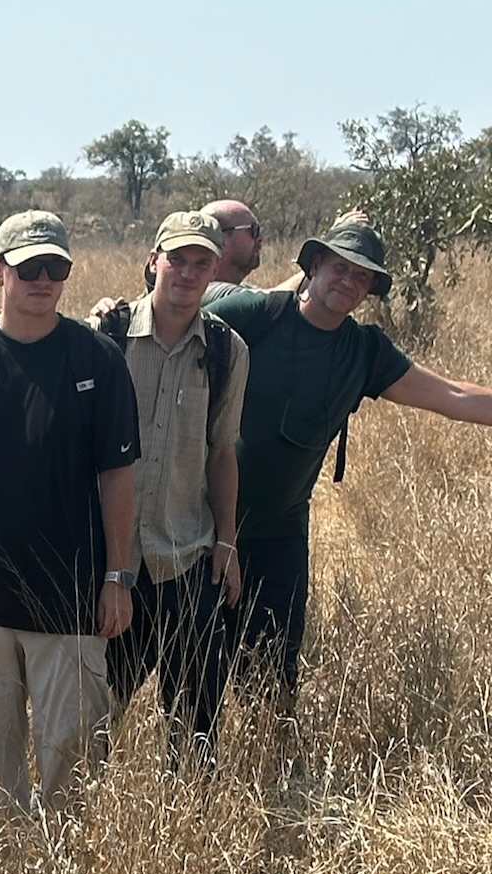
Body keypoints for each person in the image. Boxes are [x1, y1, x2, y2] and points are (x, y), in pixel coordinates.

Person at [206, 218, 492, 700]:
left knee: (271, 679)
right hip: (204, 526)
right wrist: (107, 316)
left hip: (280, 534)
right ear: (313, 267)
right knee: (196, 673)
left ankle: (267, 769)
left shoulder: (364, 352)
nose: (348, 282)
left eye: (362, 277)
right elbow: (169, 317)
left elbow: (450, 394)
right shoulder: (258, 314)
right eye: (340, 267)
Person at [0, 211, 140, 822]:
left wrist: (117, 577)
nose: (43, 279)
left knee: (72, 773)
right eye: (29, 267)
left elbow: (118, 477)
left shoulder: (98, 361)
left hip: (73, 602)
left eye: (56, 267)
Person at [101, 211, 250, 755]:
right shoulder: (108, 335)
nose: (187, 273)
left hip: (189, 554)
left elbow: (222, 451)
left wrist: (227, 541)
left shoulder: (227, 350)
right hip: (114, 563)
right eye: (177, 259)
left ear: (215, 270)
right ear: (153, 260)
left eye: (201, 263)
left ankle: (188, 822)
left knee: (194, 728)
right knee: (92, 720)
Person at [200, 199, 264, 296]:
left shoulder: (242, 289)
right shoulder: (200, 292)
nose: (260, 238)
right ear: (221, 239)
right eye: (253, 230)